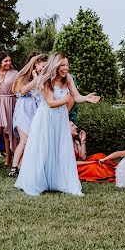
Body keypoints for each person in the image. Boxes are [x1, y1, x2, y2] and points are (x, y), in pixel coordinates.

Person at [15, 53, 84, 197]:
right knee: (43, 149)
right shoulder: (46, 80)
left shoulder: (68, 78)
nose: (66, 68)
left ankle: (62, 182)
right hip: (45, 118)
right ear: (56, 66)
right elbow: (51, 103)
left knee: (60, 149)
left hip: (60, 119)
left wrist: (86, 98)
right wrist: (66, 100)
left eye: (67, 64)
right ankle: (37, 182)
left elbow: (76, 96)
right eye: (63, 65)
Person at [8, 53, 47, 177]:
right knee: (24, 140)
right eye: (43, 65)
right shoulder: (23, 76)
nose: (44, 69)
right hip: (23, 110)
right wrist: (36, 79)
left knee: (31, 140)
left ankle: (21, 166)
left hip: (35, 111)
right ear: (36, 63)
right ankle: (13, 168)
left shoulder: (43, 77)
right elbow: (23, 91)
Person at [0, 52, 17, 168]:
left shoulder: (15, 73)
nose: (8, 63)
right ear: (0, 62)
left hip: (11, 101)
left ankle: (8, 159)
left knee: (8, 131)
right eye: (6, 61)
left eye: (10, 61)